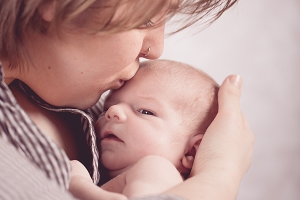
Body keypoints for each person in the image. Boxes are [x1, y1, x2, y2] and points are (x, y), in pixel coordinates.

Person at [0, 1, 254, 200]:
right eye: (146, 19)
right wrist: (220, 175)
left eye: (145, 111)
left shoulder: (86, 96)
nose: (155, 50)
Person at [69, 59, 220, 198]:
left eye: (145, 112)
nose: (113, 112)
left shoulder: (157, 169)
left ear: (191, 151)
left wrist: (78, 183)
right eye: (106, 108)